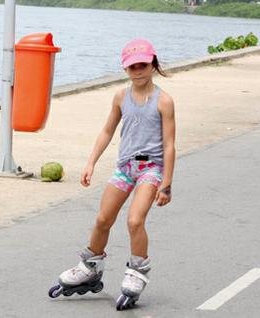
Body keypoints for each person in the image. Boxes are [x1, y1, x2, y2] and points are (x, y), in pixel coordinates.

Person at [50, 38, 175, 310]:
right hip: (125, 167)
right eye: (132, 67)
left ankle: (138, 270)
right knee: (103, 218)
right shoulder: (120, 96)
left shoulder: (164, 101)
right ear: (126, 69)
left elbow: (169, 144)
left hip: (150, 169)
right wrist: (91, 162)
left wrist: (166, 184)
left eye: (143, 65)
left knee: (134, 220)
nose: (138, 70)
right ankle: (91, 265)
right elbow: (107, 130)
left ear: (153, 64)